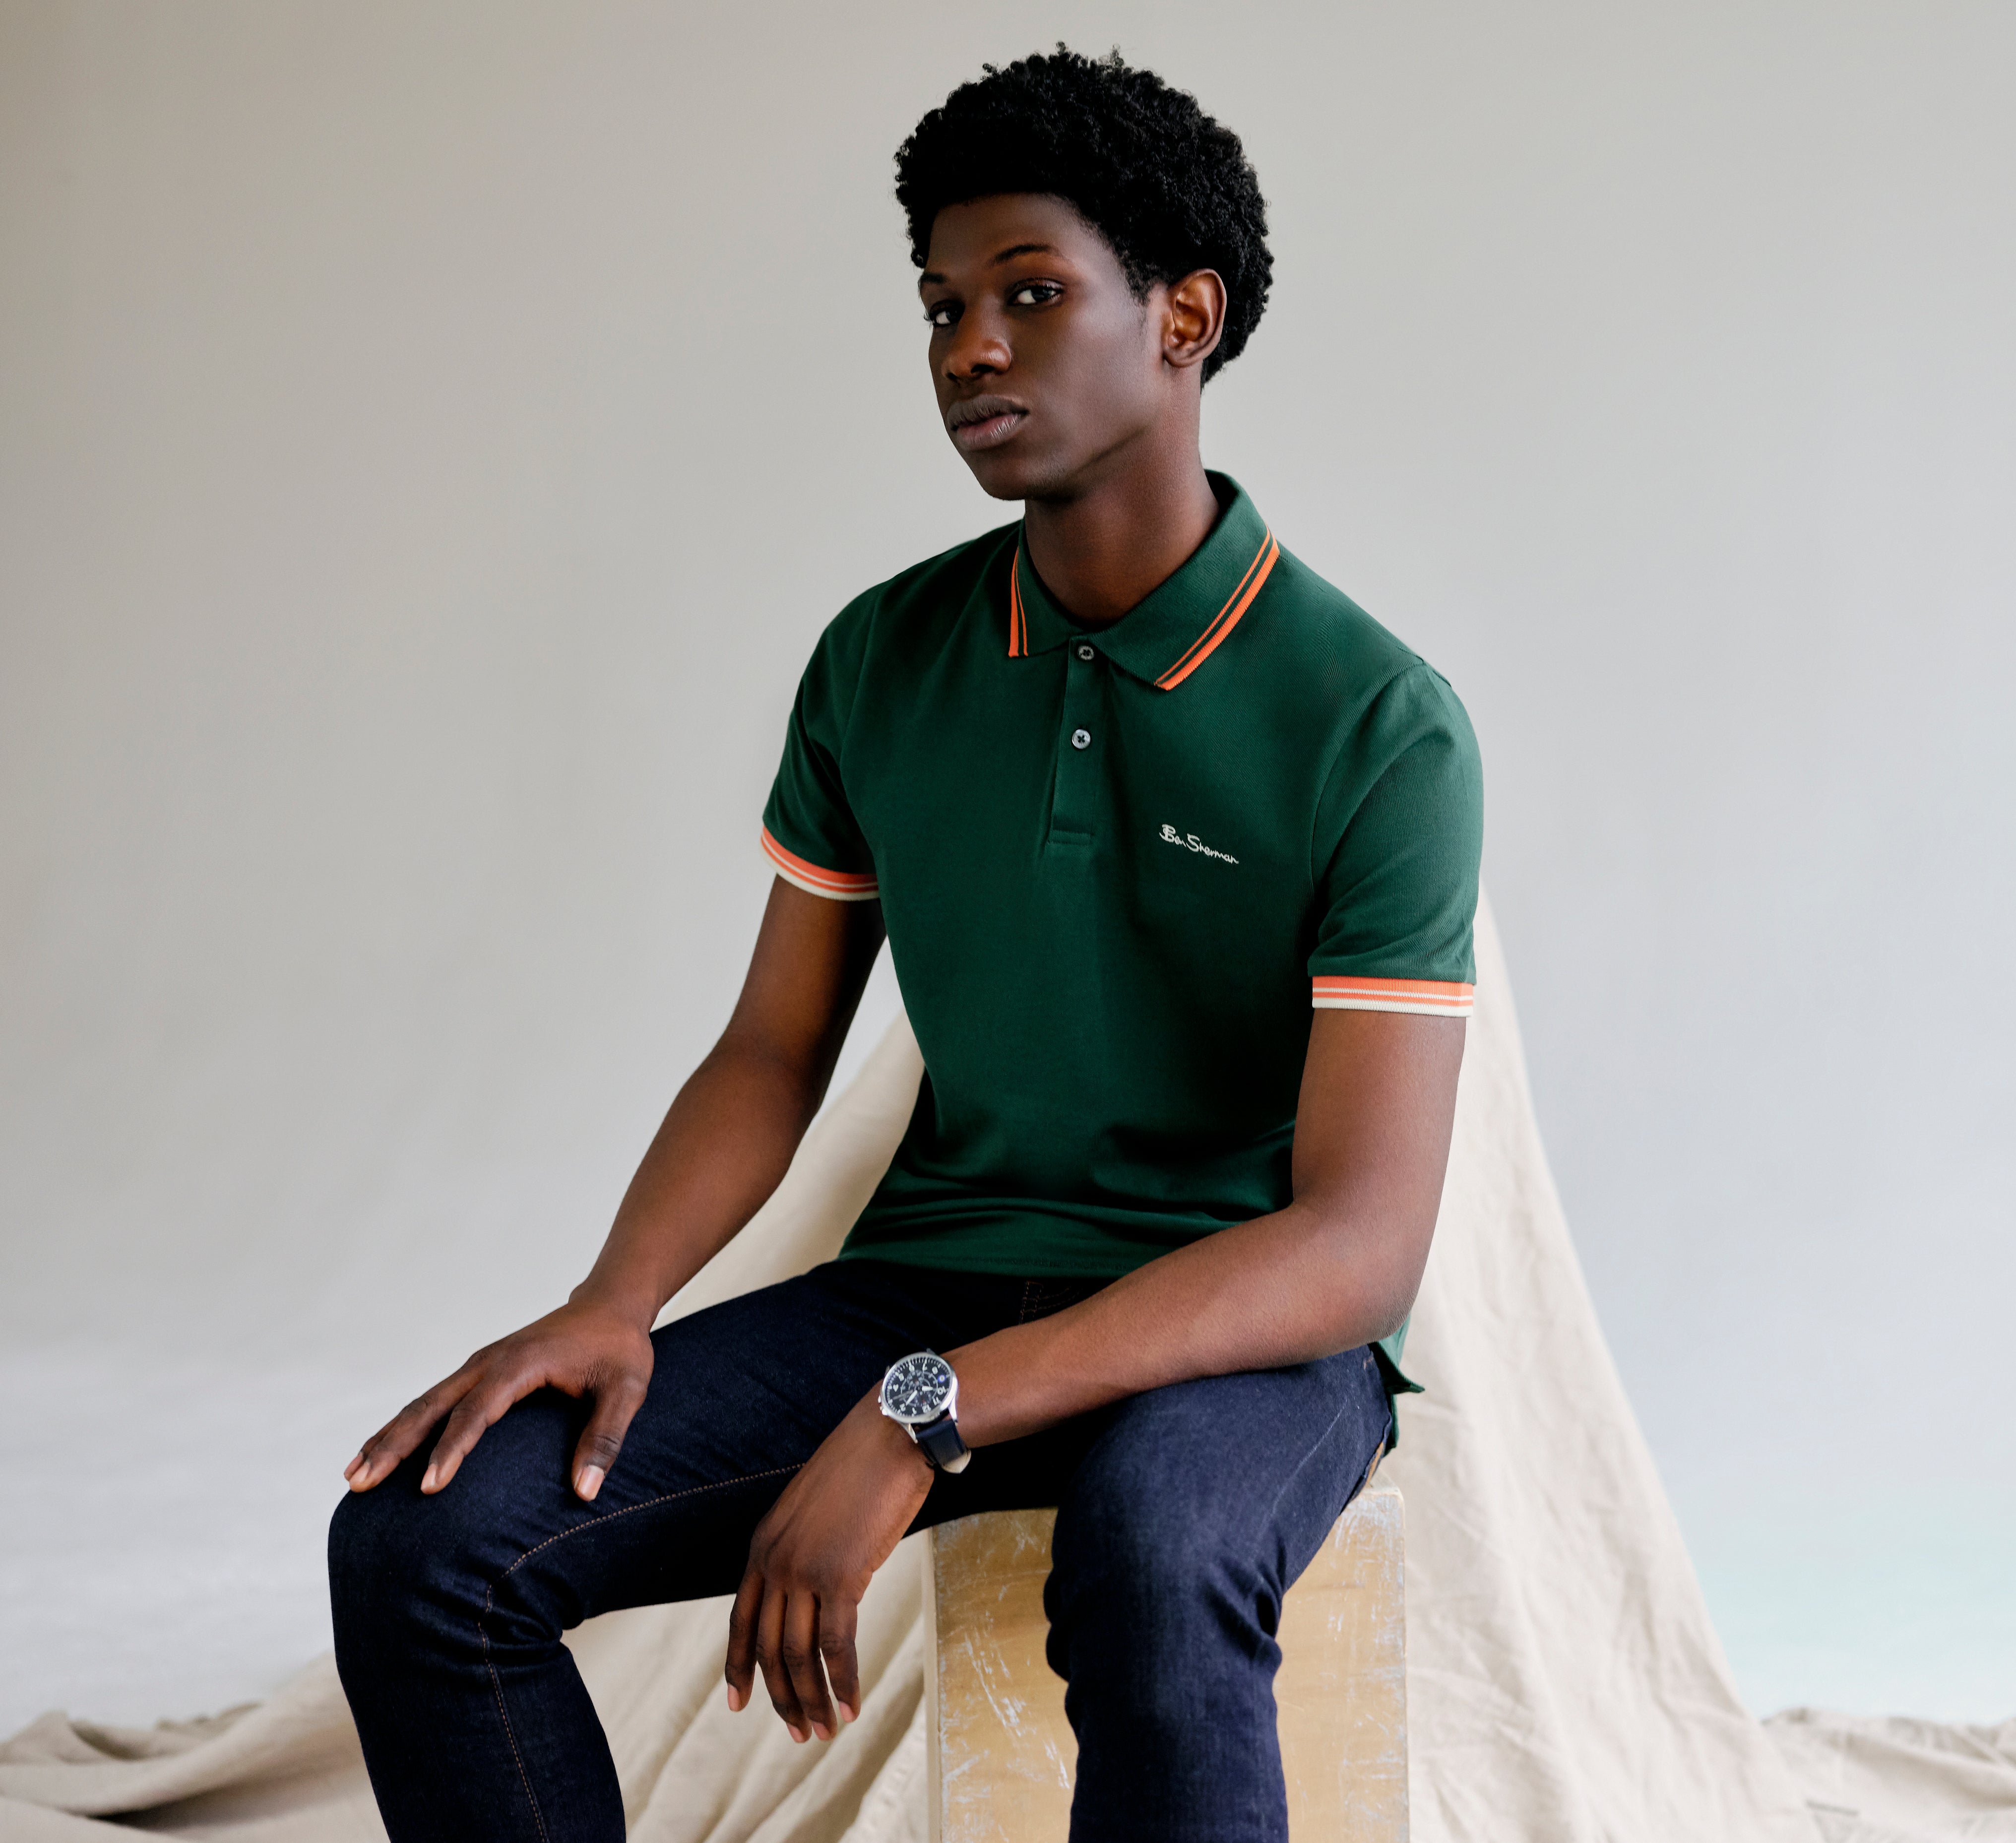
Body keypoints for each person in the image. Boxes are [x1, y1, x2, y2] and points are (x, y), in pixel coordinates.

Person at [327, 46, 1482, 1843]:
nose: (969, 349)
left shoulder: (1373, 720)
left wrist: (916, 1416)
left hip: (1240, 1332)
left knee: (1157, 1552)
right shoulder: (882, 660)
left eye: (1031, 294)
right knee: (424, 1538)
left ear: (1183, 318)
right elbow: (771, 1047)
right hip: (939, 1278)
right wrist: (615, 1301)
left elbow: (1356, 1240)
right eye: (943, 307)